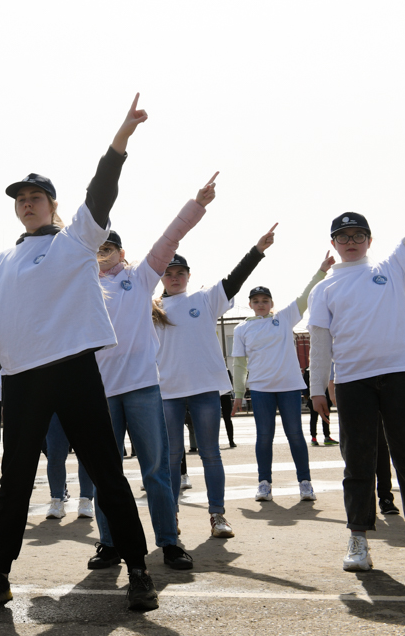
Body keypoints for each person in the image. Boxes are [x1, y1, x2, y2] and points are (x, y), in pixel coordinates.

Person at [0, 95, 157, 612]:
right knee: (14, 484)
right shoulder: (4, 258)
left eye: (36, 197)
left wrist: (119, 141)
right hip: (24, 378)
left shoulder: (74, 243)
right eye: (21, 198)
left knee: (106, 471)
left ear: (52, 204)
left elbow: (101, 194)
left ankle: (139, 569)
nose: (27, 203)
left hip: (74, 370)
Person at [86, 177, 215, 573]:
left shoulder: (140, 278)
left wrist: (196, 205)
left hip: (142, 387)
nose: (103, 255)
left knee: (157, 470)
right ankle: (109, 544)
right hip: (101, 392)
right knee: (105, 474)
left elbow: (168, 240)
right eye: (98, 248)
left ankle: (169, 542)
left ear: (122, 251)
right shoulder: (84, 285)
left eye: (110, 248)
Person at [308, 205, 405, 571]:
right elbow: (320, 344)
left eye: (358, 235)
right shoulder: (324, 287)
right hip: (352, 382)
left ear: (369, 240)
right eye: (343, 237)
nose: (351, 242)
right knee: (358, 462)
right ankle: (358, 539)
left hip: (401, 374)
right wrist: (317, 389)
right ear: (333, 243)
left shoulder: (392, 268)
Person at [157, 224, 276, 540]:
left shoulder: (205, 299)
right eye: (168, 272)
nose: (175, 276)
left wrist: (257, 251)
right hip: (167, 392)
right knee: (170, 457)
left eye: (180, 272)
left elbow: (235, 279)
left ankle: (218, 515)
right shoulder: (151, 309)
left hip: (205, 389)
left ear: (188, 275)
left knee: (211, 453)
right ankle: (171, 517)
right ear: (160, 277)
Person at [230, 255, 333, 503]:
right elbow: (239, 364)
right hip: (261, 390)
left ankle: (305, 482)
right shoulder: (242, 328)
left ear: (271, 302)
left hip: (288, 387)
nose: (261, 303)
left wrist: (321, 271)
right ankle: (264, 483)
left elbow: (305, 297)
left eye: (265, 300)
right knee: (264, 436)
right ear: (250, 304)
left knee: (295, 434)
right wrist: (239, 394)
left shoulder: (284, 318)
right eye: (256, 301)